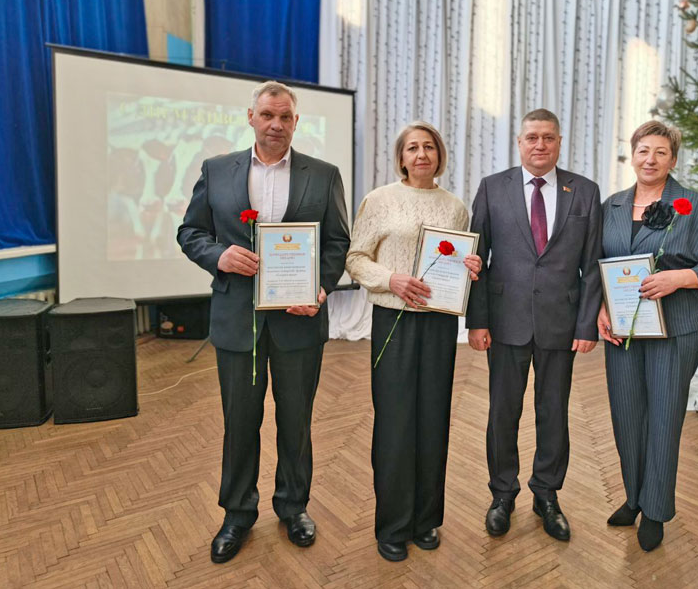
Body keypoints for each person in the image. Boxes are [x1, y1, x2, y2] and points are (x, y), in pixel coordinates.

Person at [177, 81, 350, 563]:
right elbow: (190, 231)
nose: (276, 125)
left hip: (300, 321)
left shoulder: (324, 174)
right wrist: (219, 256)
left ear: (296, 122)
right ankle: (237, 513)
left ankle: (294, 507)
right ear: (250, 117)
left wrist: (321, 287)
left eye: (285, 117)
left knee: (296, 422)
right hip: (237, 320)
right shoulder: (216, 170)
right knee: (239, 422)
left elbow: (337, 242)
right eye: (268, 115)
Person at [346, 121, 482, 562]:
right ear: (401, 158)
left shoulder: (455, 208)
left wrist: (472, 267)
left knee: (433, 420)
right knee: (395, 422)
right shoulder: (379, 200)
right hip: (394, 321)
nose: (421, 154)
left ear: (439, 155)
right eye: (412, 148)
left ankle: (425, 520)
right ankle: (392, 524)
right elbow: (355, 258)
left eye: (429, 147)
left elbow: (458, 263)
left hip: (439, 324)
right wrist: (391, 279)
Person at [466, 109, 603, 541]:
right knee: (502, 413)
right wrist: (477, 320)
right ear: (519, 142)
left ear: (559, 142)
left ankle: (547, 494)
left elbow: (592, 266)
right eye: (532, 137)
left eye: (548, 137)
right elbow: (477, 260)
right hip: (504, 322)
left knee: (554, 412)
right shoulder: (492, 187)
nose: (539, 145)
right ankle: (502, 494)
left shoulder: (585, 191)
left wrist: (587, 325)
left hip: (561, 322)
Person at [597, 120, 698, 552]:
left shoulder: (690, 204)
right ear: (632, 155)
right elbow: (597, 264)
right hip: (623, 331)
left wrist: (680, 278)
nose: (650, 159)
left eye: (660, 152)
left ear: (672, 159)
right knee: (627, 416)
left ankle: (655, 509)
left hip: (674, 330)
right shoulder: (613, 205)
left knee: (663, 419)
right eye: (643, 151)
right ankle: (634, 497)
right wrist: (601, 308)